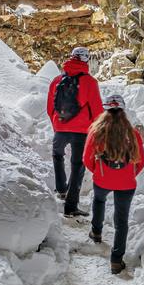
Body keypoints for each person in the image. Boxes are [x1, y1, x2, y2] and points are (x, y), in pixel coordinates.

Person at [83, 94, 144, 274]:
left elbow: (87, 159)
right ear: (123, 111)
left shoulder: (97, 132)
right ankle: (116, 261)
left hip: (103, 179)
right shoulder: (132, 133)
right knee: (121, 220)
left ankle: (96, 232)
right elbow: (140, 160)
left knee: (99, 201)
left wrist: (98, 171)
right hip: (126, 183)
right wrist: (130, 173)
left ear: (106, 110)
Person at [46, 46, 102, 216]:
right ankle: (71, 207)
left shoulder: (56, 80)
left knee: (58, 156)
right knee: (78, 165)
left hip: (60, 127)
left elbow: (50, 108)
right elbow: (97, 110)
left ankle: (61, 189)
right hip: (82, 131)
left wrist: (57, 125)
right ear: (86, 60)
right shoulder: (90, 82)